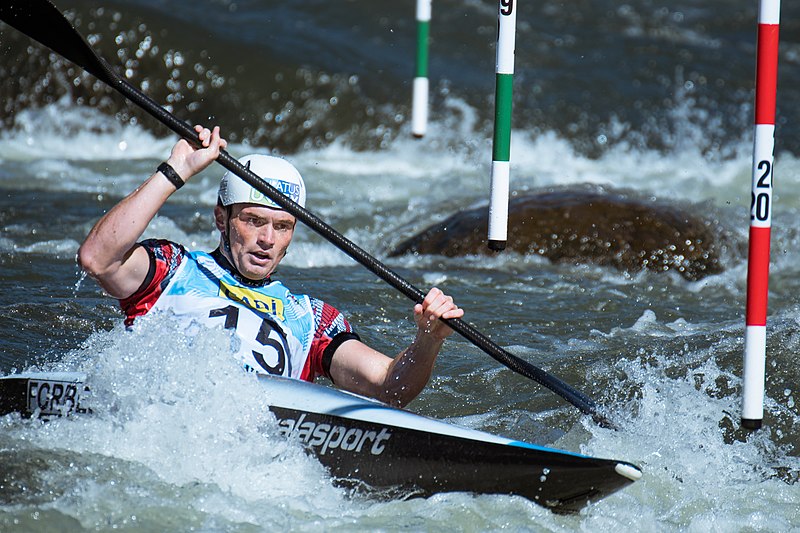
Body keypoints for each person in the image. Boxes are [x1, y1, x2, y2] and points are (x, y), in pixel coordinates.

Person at [78, 125, 464, 408]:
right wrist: (175, 171)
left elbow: (386, 387)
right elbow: (97, 258)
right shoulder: (171, 270)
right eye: (253, 221)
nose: (268, 239)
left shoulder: (312, 318)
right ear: (221, 219)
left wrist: (428, 340)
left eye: (282, 226)